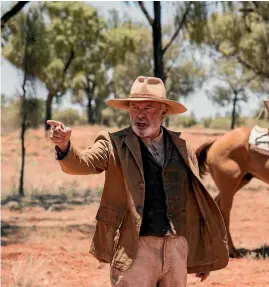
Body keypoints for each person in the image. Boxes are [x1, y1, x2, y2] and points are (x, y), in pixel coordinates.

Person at [47, 76, 229, 287]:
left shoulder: (182, 147)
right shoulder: (113, 143)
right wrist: (64, 146)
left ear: (163, 111)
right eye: (134, 108)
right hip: (134, 248)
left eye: (148, 108)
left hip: (177, 248)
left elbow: (194, 203)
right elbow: (84, 162)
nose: (139, 115)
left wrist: (201, 254)